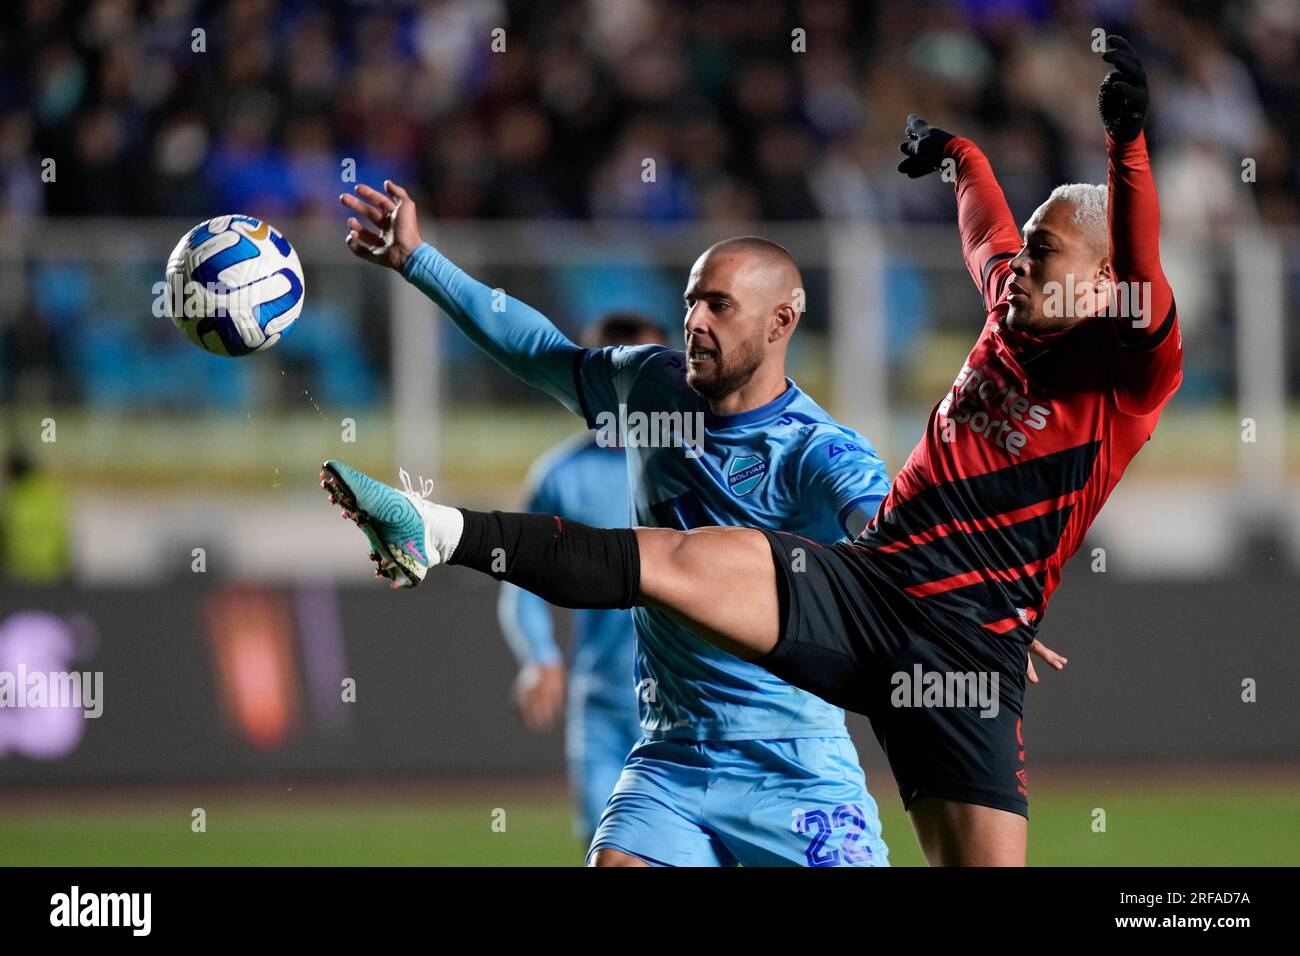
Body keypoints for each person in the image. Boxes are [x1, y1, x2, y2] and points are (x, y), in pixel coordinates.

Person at [324, 35, 1162, 866]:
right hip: (865, 597)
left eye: (1043, 254)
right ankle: (435, 532)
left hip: (953, 658)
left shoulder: (1129, 370)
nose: (1018, 268)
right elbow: (987, 232)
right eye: (692, 301)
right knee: (674, 559)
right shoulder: (1002, 309)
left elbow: (1141, 268)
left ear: (1101, 283)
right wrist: (963, 155)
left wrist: (1127, 148)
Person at [327, 187, 913, 866]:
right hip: (671, 752)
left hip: (790, 761)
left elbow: (893, 540)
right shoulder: (650, 387)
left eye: (718, 305)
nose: (693, 320)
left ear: (781, 321)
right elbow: (536, 350)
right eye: (692, 299)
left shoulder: (819, 452)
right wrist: (418, 260)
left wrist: (973, 614)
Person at [496, 314, 665, 846]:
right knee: (608, 852)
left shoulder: (701, 464)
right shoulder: (560, 477)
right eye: (625, 371)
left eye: (657, 369)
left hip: (688, 706)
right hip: (603, 707)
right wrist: (540, 656)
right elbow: (521, 579)